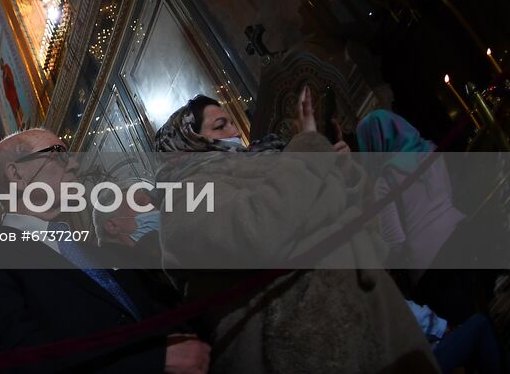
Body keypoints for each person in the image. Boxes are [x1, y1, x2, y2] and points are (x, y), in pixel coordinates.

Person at [153, 86, 437, 374]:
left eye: (230, 121)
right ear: (190, 142)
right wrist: (308, 154)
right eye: (220, 125)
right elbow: (259, 230)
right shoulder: (183, 198)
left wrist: (343, 172)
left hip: (372, 315)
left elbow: (358, 218)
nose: (234, 131)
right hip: (306, 343)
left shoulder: (272, 162)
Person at [0, 128, 208, 374]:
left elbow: (153, 305)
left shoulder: (95, 250)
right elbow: (24, 357)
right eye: (59, 154)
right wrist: (153, 361)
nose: (75, 164)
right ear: (16, 174)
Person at [356, 110, 475, 324]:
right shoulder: (428, 149)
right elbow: (449, 193)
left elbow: (396, 241)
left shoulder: (385, 180)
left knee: (465, 326)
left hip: (431, 268)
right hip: (462, 235)